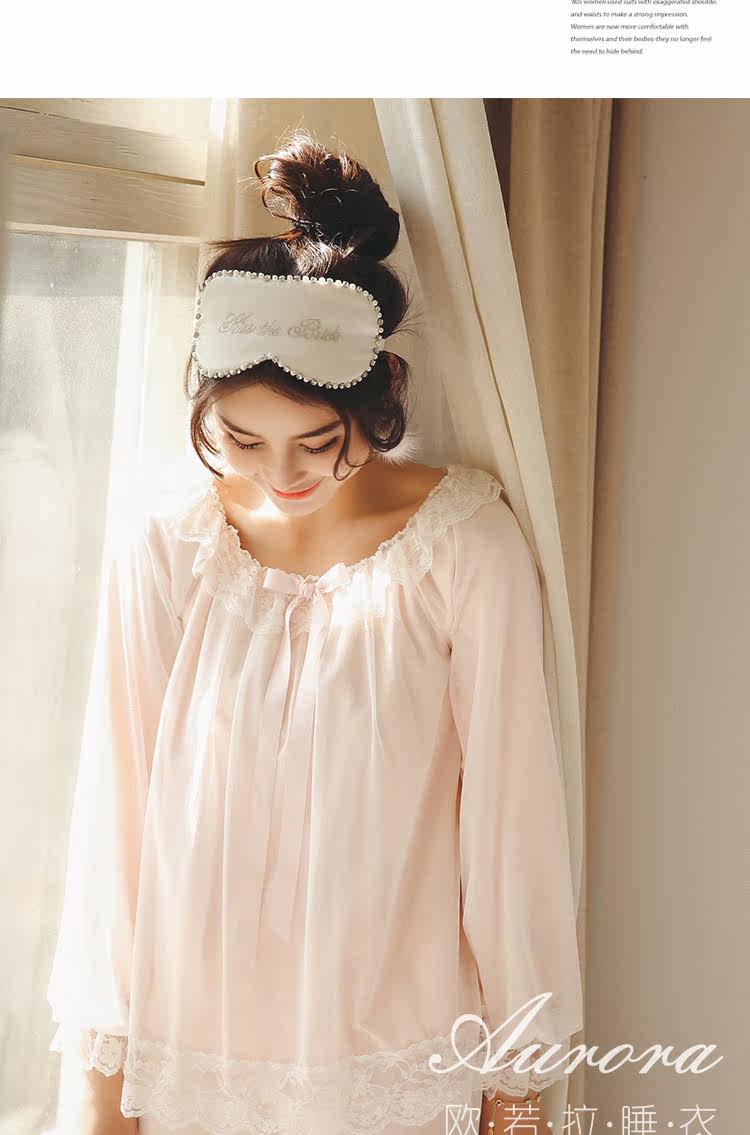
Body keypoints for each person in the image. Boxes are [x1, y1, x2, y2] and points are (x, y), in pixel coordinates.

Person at [46, 129, 583, 1135]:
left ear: (377, 407)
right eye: (241, 440)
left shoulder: (463, 547)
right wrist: (101, 1091)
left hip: (395, 1059)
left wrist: (518, 1092)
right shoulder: (170, 543)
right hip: (189, 1053)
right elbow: (116, 820)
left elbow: (512, 833)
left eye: (316, 441)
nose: (280, 475)